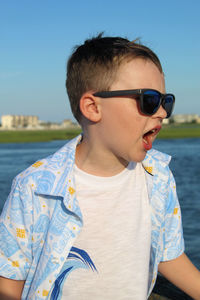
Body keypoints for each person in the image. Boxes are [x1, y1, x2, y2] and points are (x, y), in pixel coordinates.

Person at [0, 33, 200, 300]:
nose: (162, 112)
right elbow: (9, 281)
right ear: (93, 107)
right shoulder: (35, 188)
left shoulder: (158, 176)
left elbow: (168, 255)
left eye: (167, 101)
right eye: (149, 100)